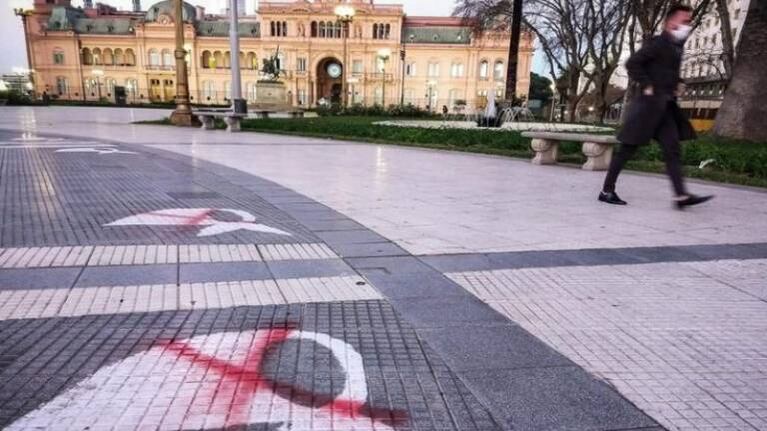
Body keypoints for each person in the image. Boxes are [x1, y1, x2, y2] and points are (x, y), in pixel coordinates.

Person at [600, 3, 713, 210]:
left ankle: (680, 196)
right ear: (671, 22)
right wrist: (647, 84)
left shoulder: (676, 47)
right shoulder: (658, 43)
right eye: (685, 21)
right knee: (626, 150)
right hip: (647, 108)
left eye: (690, 21)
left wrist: (679, 82)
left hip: (665, 108)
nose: (689, 25)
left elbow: (666, 71)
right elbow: (633, 63)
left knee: (672, 150)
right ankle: (607, 190)